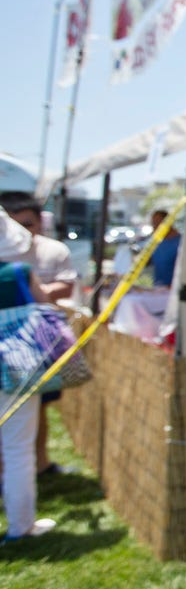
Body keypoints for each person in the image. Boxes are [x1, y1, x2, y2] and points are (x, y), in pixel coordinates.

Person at [0, 193, 78, 477]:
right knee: (19, 438)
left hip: (33, 350)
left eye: (27, 223)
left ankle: (39, 464)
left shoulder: (51, 252)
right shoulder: (17, 269)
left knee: (37, 411)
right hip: (22, 352)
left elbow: (66, 287)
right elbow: (47, 296)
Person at [0, 209, 56, 541]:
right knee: (18, 449)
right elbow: (49, 310)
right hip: (17, 370)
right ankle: (21, 526)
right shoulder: (18, 272)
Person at [148, 209, 180, 287]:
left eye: (157, 223)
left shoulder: (180, 243)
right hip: (158, 289)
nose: (154, 227)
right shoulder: (156, 243)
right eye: (153, 223)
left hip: (174, 291)